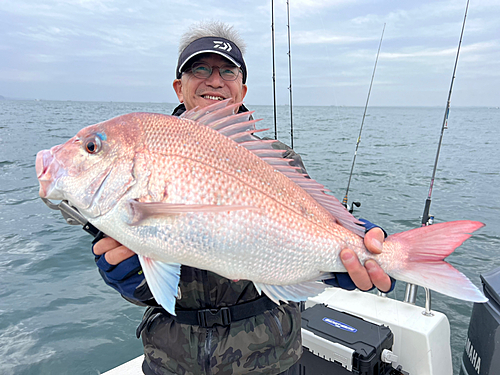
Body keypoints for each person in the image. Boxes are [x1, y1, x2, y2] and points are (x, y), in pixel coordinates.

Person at [92, 21, 394, 375]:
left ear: (242, 88)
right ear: (179, 87)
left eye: (228, 71)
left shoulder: (279, 159)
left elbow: (304, 233)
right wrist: (130, 277)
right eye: (199, 69)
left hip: (270, 359)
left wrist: (353, 244)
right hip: (172, 360)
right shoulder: (144, 157)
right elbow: (151, 286)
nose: (215, 80)